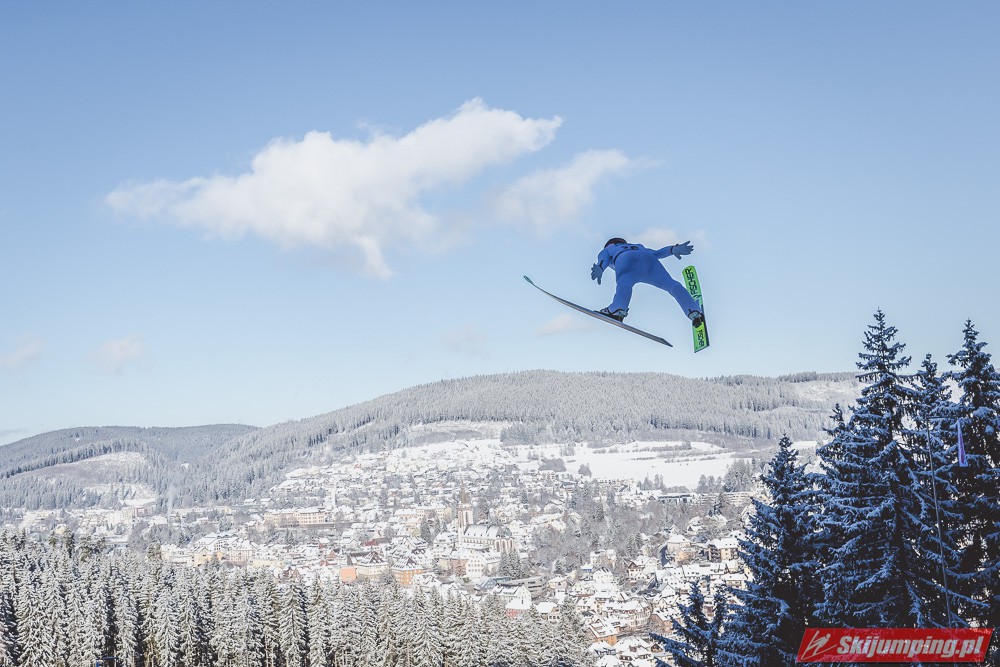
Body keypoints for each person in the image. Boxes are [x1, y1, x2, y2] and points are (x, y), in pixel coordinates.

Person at [590, 237, 704, 326]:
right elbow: (657, 253)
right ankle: (694, 311)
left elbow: (603, 259)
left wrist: (600, 268)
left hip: (626, 260)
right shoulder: (637, 246)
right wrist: (672, 249)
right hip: (648, 259)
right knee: (671, 285)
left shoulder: (608, 249)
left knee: (624, 285)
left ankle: (618, 309)